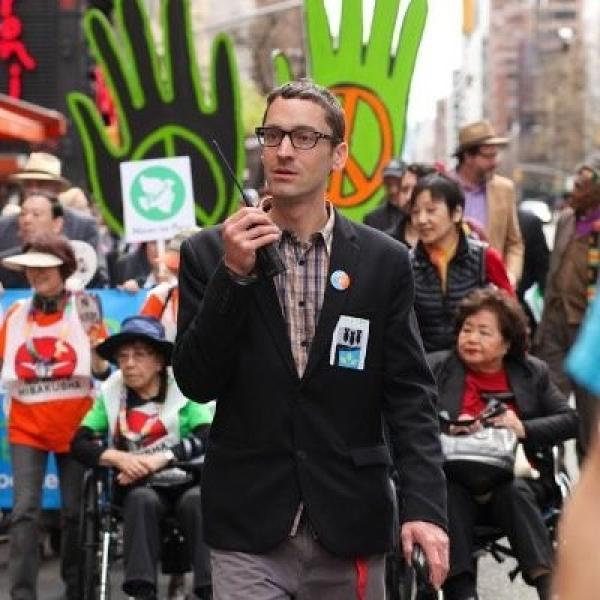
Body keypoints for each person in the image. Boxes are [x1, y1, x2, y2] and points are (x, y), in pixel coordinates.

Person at [173, 79, 448, 599]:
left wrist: (425, 509)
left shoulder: (383, 261)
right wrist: (233, 277)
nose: (282, 151)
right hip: (248, 525)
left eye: (303, 137)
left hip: (350, 519)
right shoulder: (210, 253)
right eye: (272, 135)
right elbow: (195, 381)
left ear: (338, 153)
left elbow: (410, 395)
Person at [428, 288, 578, 600]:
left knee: (512, 490)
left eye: (484, 332)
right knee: (450, 493)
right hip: (454, 475)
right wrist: (447, 426)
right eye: (467, 330)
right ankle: (462, 592)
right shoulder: (438, 368)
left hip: (517, 477)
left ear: (507, 343)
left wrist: (521, 427)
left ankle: (548, 587)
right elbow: (410, 417)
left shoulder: (531, 372)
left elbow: (570, 420)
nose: (471, 339)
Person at [71, 315, 213, 600]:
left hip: (185, 480)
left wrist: (161, 459)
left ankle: (209, 589)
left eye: (139, 355)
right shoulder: (111, 390)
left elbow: (207, 435)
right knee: (140, 501)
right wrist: (119, 459)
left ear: (160, 361)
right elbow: (79, 443)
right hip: (139, 487)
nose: (129, 363)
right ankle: (142, 591)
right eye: (122, 356)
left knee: (197, 501)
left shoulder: (181, 387)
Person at [0, 232, 110, 600]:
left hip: (75, 425)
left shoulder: (85, 306)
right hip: (26, 427)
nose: (36, 277)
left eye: (44, 269)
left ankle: (76, 590)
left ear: (63, 269)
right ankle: (21, 594)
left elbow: (103, 370)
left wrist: (96, 344)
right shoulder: (15, 313)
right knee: (25, 512)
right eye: (30, 271)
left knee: (75, 514)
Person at [535, 155, 600, 459]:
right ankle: (551, 467)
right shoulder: (566, 220)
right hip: (555, 324)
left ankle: (586, 471)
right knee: (550, 400)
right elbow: (553, 274)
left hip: (586, 329)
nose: (573, 191)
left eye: (581, 186)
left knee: (590, 412)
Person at [409, 173, 514, 353]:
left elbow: (511, 318)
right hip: (422, 370)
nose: (422, 220)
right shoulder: (406, 263)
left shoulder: (485, 258)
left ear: (456, 213)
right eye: (415, 212)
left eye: (431, 210)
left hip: (474, 370)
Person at [452, 121, 524, 285]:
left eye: (495, 155)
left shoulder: (504, 189)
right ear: (468, 157)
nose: (495, 162)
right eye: (488, 156)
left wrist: (510, 278)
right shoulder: (443, 187)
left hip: (492, 290)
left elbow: (515, 243)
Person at [0, 190, 108, 289]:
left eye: (36, 214)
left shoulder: (78, 260)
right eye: (22, 214)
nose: (26, 220)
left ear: (57, 224)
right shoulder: (6, 264)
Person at [140, 228, 200, 341]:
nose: (177, 271)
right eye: (174, 268)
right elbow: (142, 338)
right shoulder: (159, 296)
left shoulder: (220, 297)